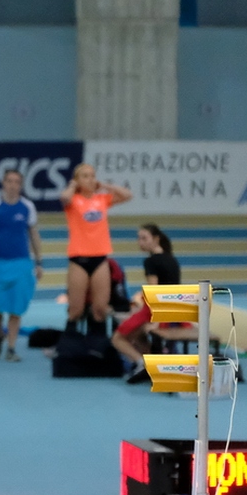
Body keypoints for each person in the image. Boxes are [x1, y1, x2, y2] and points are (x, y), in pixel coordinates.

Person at [0, 169, 43, 362]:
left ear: (21, 185)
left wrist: (39, 261)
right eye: (9, 181)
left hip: (21, 263)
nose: (13, 185)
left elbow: (33, 234)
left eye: (16, 182)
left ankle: (11, 348)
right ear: (3, 183)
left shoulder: (27, 207)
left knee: (17, 307)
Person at [63, 163, 133, 335]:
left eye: (92, 176)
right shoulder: (73, 200)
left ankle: (98, 342)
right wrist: (73, 185)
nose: (90, 179)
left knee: (100, 309)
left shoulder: (101, 199)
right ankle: (70, 343)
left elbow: (127, 195)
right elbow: (64, 198)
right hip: (79, 258)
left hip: (100, 258)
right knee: (76, 309)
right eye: (85, 176)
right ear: (77, 180)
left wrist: (105, 186)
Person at [113, 224, 182, 385]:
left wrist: (155, 321)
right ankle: (152, 366)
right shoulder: (172, 259)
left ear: (156, 239)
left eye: (144, 238)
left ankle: (141, 363)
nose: (140, 242)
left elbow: (154, 292)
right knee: (139, 335)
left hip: (157, 311)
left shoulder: (151, 262)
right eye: (138, 238)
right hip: (174, 309)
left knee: (117, 339)